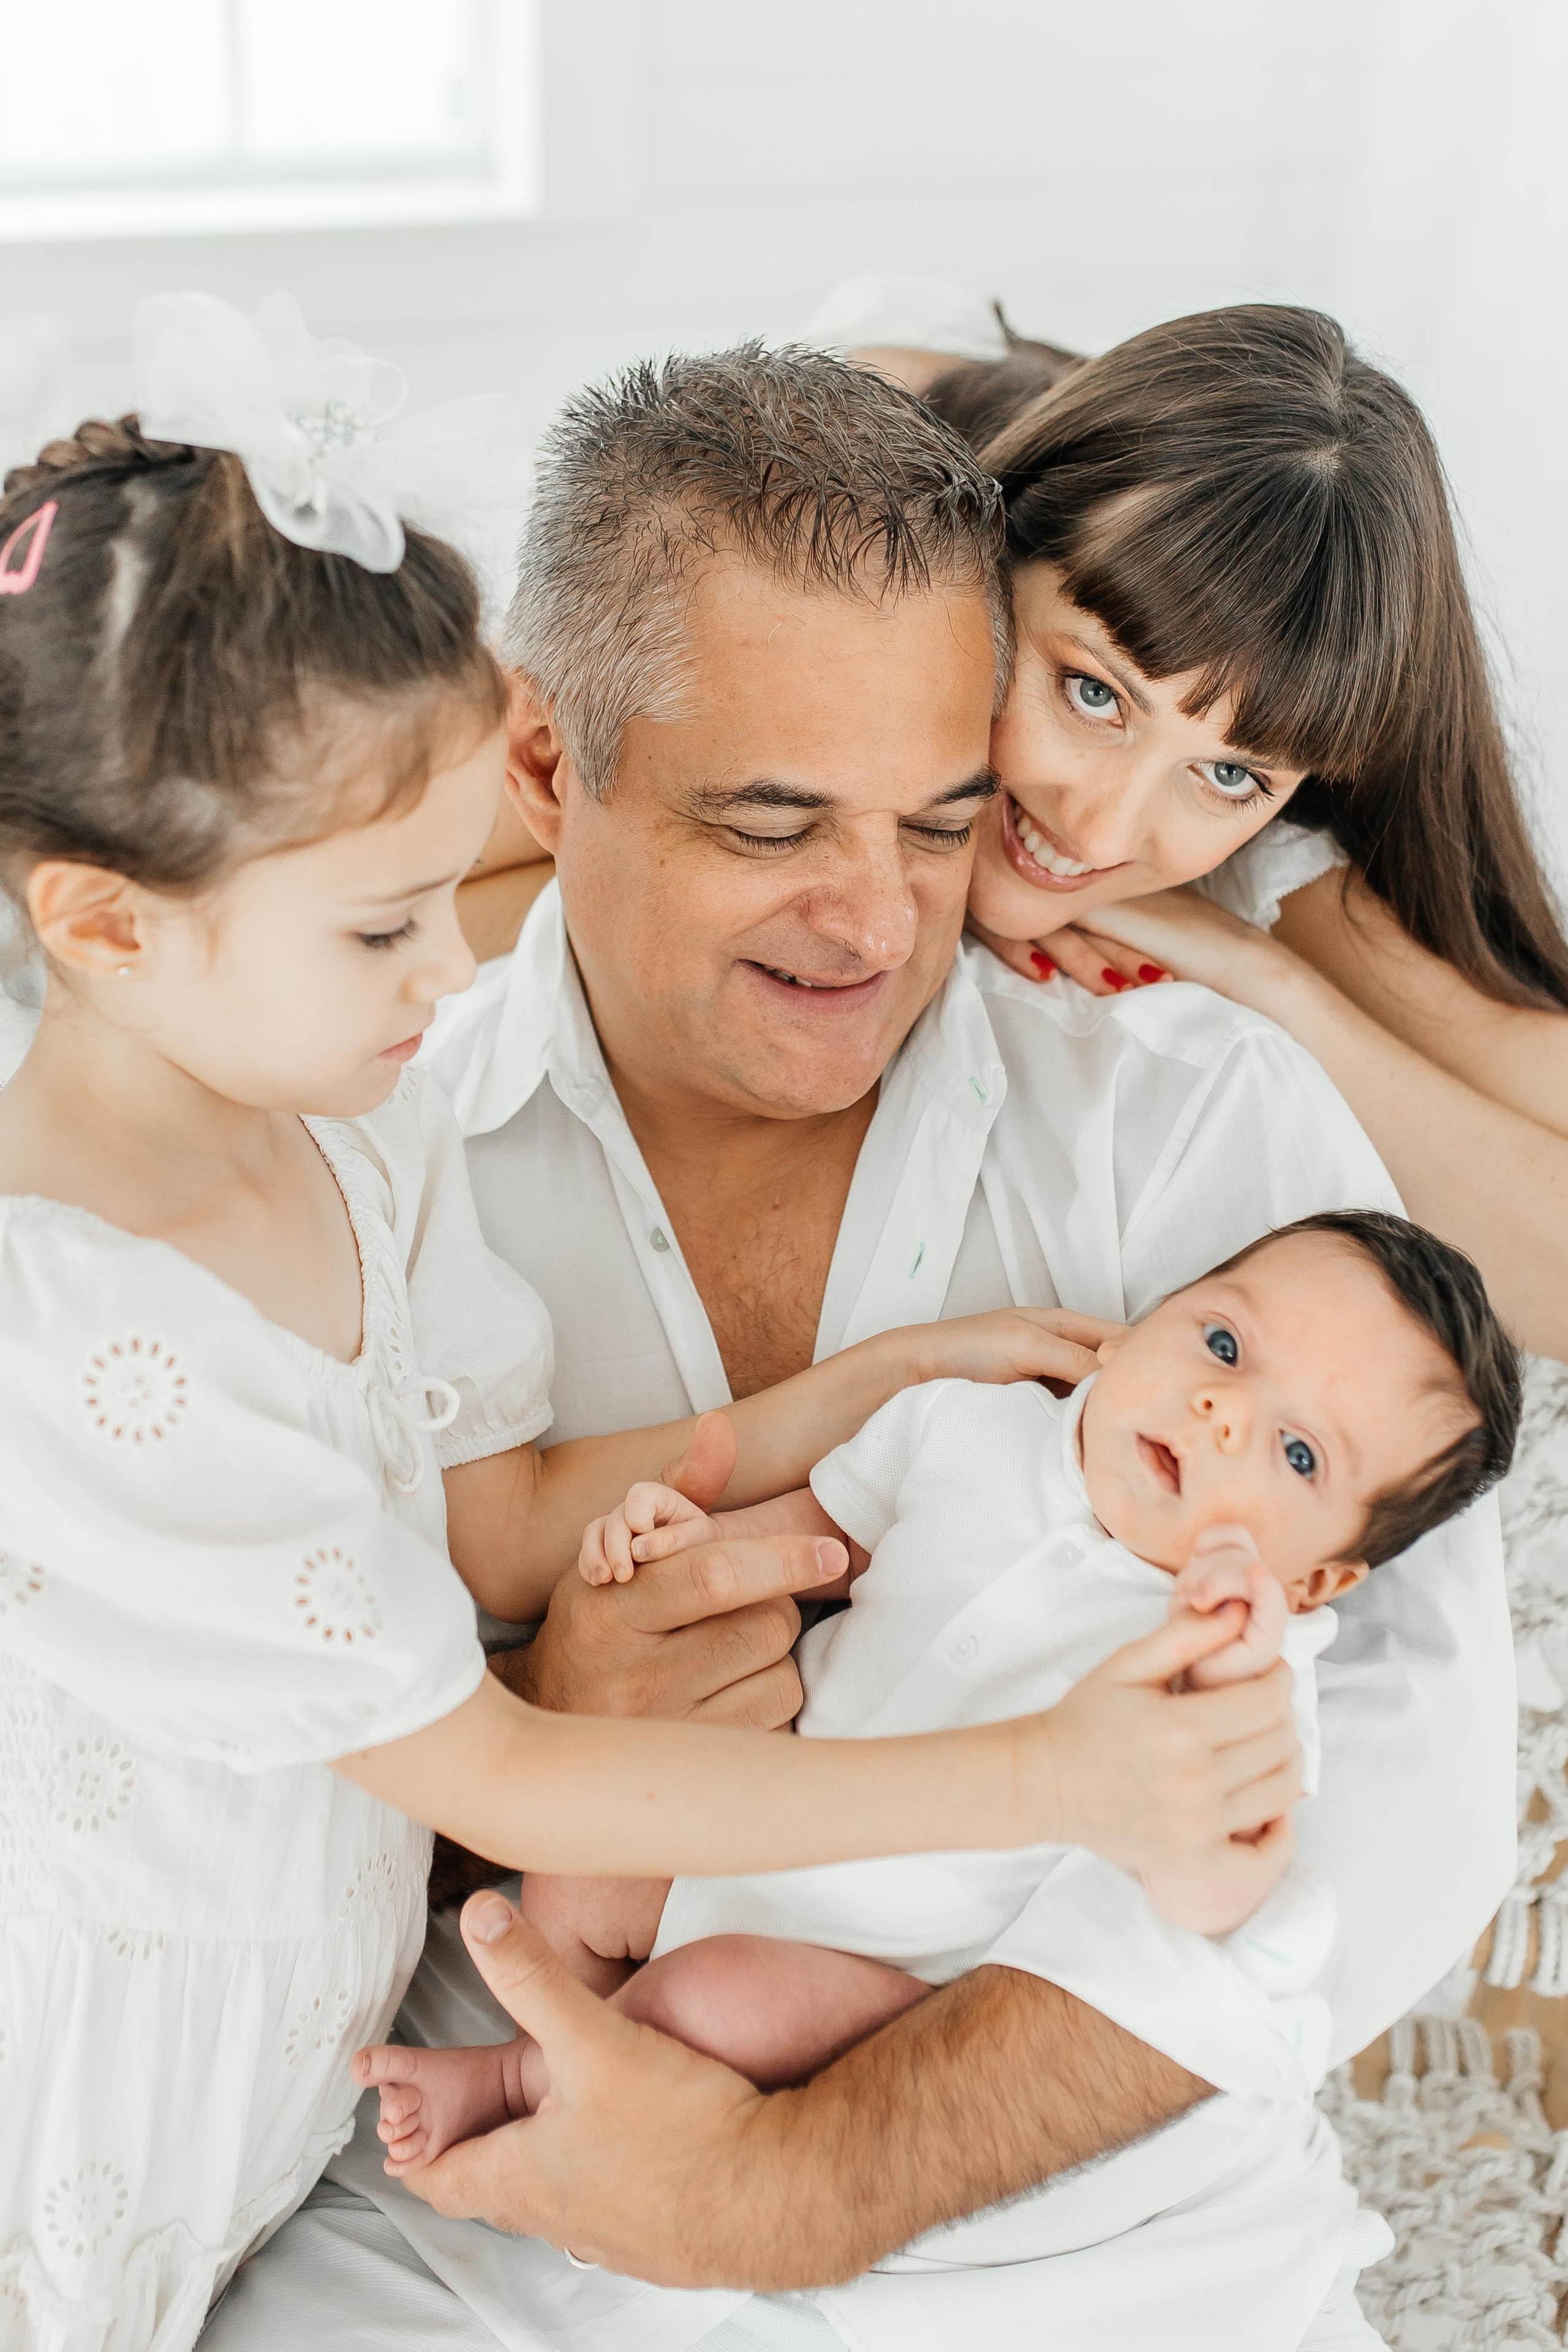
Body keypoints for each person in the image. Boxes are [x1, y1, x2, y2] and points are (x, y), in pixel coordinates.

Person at [0, 304, 1288, 2352]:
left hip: (278, 2089)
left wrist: (858, 1392)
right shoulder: (71, 1325)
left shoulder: (356, 1130)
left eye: (943, 827)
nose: (457, 957)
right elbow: (510, 1774)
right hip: (117, 2093)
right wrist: (1049, 1771)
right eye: (772, 824)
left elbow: (495, 1512)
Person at [355, 1209, 1523, 2168]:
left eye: (1298, 1453)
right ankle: (569, 2039)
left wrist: (1223, 1722)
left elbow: (1213, 1890)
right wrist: (673, 1542)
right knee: (589, 1829)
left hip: (881, 1979)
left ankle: (521, 2085)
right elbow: (800, 1548)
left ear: (1316, 1578)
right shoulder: (967, 1429)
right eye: (1222, 1346)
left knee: (714, 2000)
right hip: (728, 1829)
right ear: (1136, 1328)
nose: (1225, 1411)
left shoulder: (1239, 1670)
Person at [818, 290, 1568, 1367]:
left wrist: (1261, 977)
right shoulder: (854, 531)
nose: (1103, 823)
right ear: (990, 561)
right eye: (1090, 695)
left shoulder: (1260, 866)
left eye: (1226, 773)